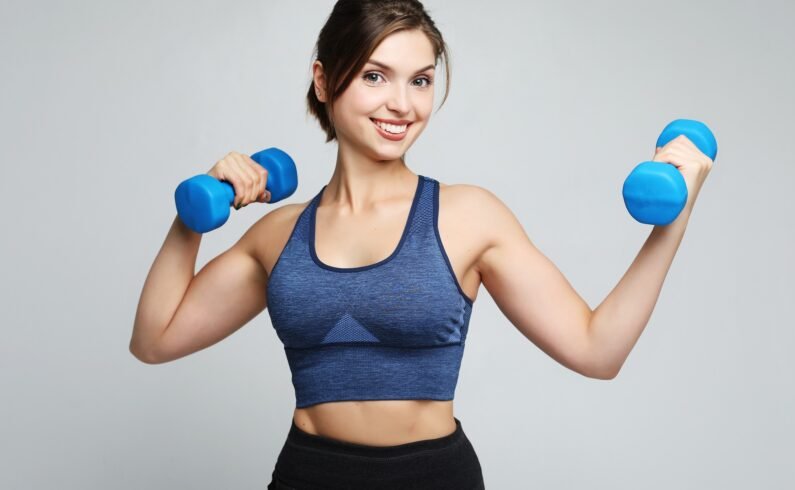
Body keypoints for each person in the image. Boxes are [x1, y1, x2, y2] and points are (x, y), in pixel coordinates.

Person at [129, 1, 714, 488]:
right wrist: (194, 218)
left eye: (421, 80)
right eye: (374, 76)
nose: (402, 105)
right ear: (325, 80)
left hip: (433, 477)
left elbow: (596, 351)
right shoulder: (279, 233)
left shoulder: (467, 216)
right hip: (308, 474)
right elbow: (155, 340)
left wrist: (674, 221)